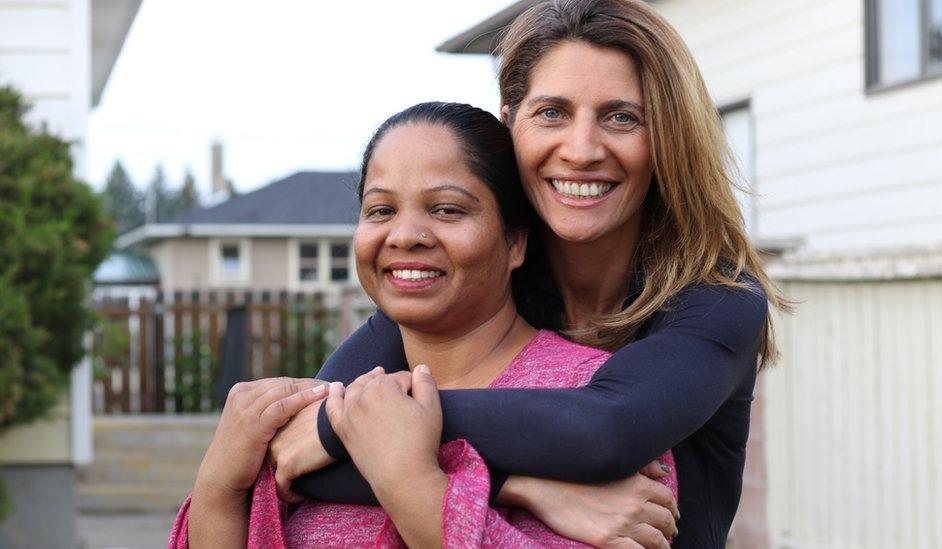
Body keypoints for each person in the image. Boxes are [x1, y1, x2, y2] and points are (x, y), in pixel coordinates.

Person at [271, 1, 792, 547]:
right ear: (509, 125)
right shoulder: (484, 278)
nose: (582, 150)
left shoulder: (717, 300)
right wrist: (520, 487)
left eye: (621, 116)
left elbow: (604, 431)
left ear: (667, 137)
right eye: (552, 113)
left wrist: (358, 424)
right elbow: (300, 462)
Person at [171, 102, 678, 548]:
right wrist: (219, 487)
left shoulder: (590, 397)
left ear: (516, 242)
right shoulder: (321, 414)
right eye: (381, 210)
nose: (405, 235)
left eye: (447, 210)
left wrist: (411, 480)